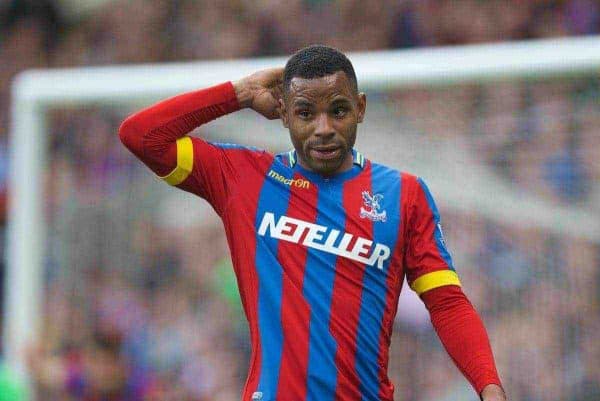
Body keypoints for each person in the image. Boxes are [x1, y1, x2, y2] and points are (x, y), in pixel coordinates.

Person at [119, 45, 506, 401]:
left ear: (361, 108)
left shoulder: (403, 194)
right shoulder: (243, 177)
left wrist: (490, 388)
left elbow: (446, 303)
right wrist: (239, 92)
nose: (323, 127)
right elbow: (140, 135)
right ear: (284, 113)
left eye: (337, 110)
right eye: (305, 112)